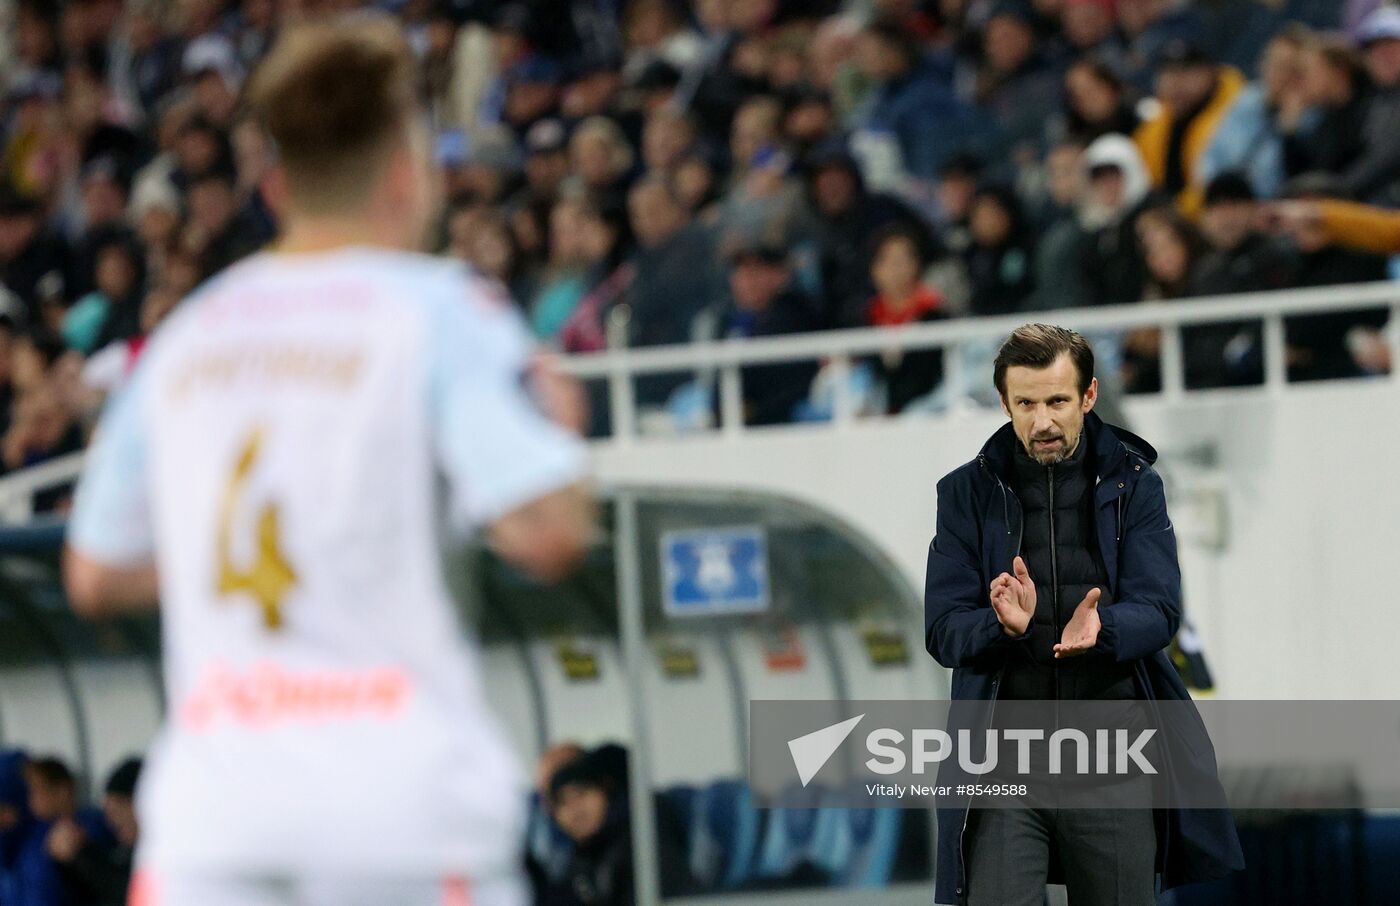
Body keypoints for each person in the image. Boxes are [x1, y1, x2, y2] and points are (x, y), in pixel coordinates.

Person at [62, 16, 593, 906]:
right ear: (402, 170)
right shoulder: (440, 311)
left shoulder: (188, 338)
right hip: (398, 813)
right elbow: (548, 535)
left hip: (213, 823)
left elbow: (94, 576)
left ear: (277, 184)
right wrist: (565, 437)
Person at [924, 324, 1242, 906]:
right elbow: (943, 631)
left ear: (1088, 396)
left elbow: (1162, 609)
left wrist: (1105, 628)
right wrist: (1000, 626)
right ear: (1004, 403)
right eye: (1025, 404)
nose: (1042, 421)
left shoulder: (1138, 485)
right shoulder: (963, 496)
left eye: (1056, 402)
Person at [46, 758, 142, 906]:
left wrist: (83, 854)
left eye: (118, 810)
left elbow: (126, 891)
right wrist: (69, 862)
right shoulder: (120, 851)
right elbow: (91, 893)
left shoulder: (167, 853)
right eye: (109, 812)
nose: (113, 821)